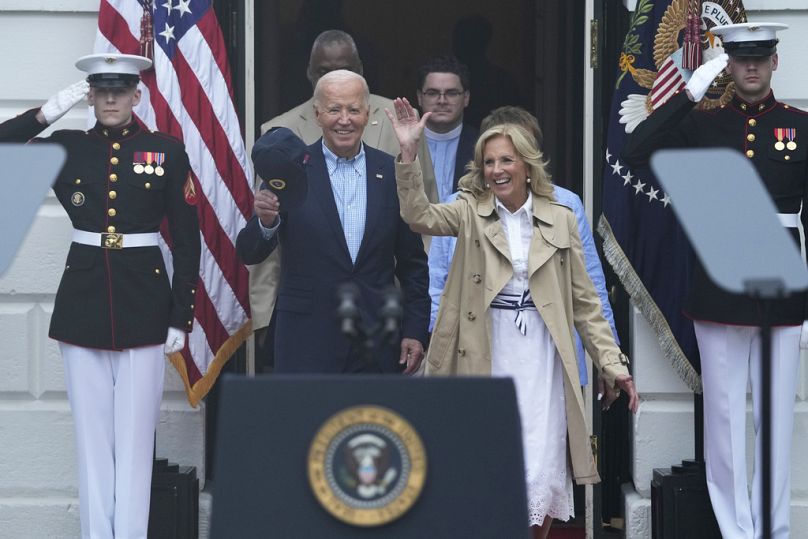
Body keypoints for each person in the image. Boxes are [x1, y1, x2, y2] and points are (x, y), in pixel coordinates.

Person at [387, 98, 638, 538]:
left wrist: (612, 363)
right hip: (486, 347)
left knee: (540, 463)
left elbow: (585, 302)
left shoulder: (560, 216)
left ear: (527, 165)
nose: (496, 170)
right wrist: (408, 154)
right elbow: (418, 216)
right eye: (488, 161)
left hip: (542, 352)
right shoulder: (467, 209)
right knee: (486, 459)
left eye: (506, 160)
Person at [0, 53, 201, 538]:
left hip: (145, 302)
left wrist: (181, 315)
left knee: (133, 441)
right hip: (84, 300)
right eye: (101, 90)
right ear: (89, 95)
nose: (111, 99)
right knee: (92, 440)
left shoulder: (166, 151)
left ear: (137, 95)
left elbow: (189, 237)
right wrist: (45, 114)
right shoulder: (67, 147)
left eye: (120, 90)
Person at [622, 22, 805, 539]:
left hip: (782, 285)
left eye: (759, 58)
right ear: (728, 64)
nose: (750, 67)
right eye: (739, 58)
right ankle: (736, 531)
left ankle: (773, 531)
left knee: (774, 424)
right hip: (719, 283)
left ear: (774, 63)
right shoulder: (702, 124)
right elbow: (638, 151)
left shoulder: (801, 125)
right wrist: (688, 94)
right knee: (723, 422)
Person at [252, 30, 434, 370]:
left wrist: (415, 329)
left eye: (353, 110)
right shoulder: (291, 168)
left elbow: (413, 262)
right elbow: (252, 251)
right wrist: (265, 223)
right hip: (306, 339)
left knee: (371, 424)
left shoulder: (391, 170)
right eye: (334, 110)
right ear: (318, 114)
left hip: (379, 341)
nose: (345, 119)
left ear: (368, 114)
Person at [427, 105, 620, 402]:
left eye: (514, 155)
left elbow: (588, 289)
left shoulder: (565, 206)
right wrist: (439, 353)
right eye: (495, 158)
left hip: (550, 354)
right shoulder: (458, 207)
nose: (502, 168)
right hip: (476, 355)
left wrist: (609, 359)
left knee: (548, 443)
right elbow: (437, 285)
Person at [415, 54, 478, 203]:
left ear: (466, 98)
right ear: (419, 97)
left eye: (451, 93)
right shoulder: (402, 143)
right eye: (432, 93)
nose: (442, 101)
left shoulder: (482, 144)